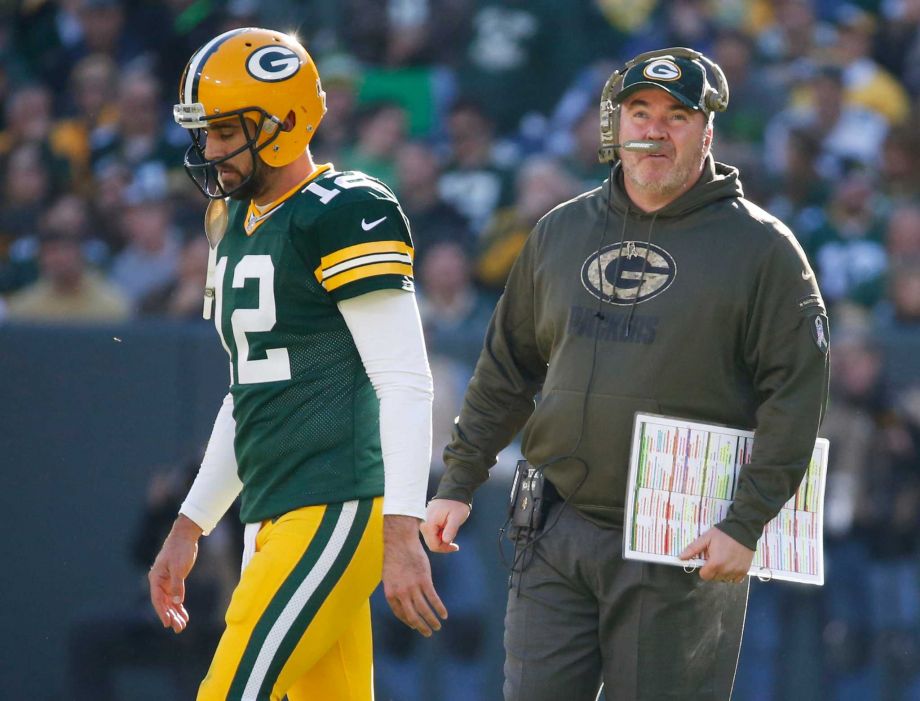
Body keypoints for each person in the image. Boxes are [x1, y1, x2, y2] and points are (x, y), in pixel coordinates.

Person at [422, 47, 830, 701]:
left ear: (707, 129)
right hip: (556, 528)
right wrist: (459, 479)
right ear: (617, 123)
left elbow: (796, 398)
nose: (654, 129)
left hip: (684, 539)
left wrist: (745, 521)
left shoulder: (765, 250)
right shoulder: (559, 231)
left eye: (676, 115)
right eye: (640, 111)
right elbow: (507, 365)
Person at [146, 28, 445, 701]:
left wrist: (402, 529)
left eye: (225, 130)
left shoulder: (344, 211)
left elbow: (404, 379)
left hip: (336, 498)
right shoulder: (233, 220)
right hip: (276, 506)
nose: (211, 149)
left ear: (284, 122)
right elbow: (246, 390)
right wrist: (191, 521)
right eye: (207, 132)